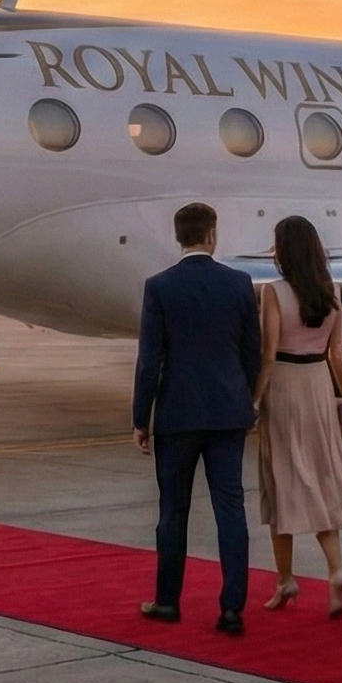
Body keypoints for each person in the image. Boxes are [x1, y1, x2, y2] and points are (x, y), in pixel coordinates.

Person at [133, 201, 262, 635]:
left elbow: (149, 360)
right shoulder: (240, 283)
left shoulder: (159, 287)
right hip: (227, 414)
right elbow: (251, 352)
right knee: (231, 510)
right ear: (212, 235)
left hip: (177, 414)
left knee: (173, 511)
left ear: (178, 236)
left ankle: (167, 601)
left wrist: (141, 418)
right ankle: (231, 608)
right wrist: (245, 401)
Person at [253, 215, 342, 617]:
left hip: (284, 385)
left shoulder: (273, 292)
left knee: (281, 479)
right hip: (319, 383)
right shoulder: (332, 291)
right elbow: (338, 353)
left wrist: (254, 399)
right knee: (320, 476)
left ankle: (285, 579)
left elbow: (268, 354)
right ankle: (336, 570)